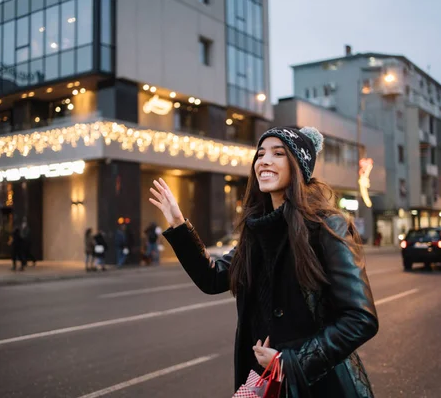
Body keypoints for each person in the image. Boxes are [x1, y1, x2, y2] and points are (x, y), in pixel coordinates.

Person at [149, 126, 379, 397]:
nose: (264, 161)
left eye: (278, 153)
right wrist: (179, 225)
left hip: (317, 383)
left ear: (298, 167)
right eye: (260, 155)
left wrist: (290, 363)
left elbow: (360, 318)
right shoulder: (256, 232)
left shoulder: (327, 227)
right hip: (263, 381)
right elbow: (212, 278)